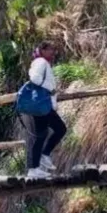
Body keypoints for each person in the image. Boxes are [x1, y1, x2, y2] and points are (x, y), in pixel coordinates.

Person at [20, 41, 66, 178]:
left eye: (54, 50)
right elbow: (34, 77)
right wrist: (49, 89)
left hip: (42, 104)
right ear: (43, 50)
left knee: (44, 134)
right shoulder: (41, 62)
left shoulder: (42, 62)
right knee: (56, 130)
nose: (53, 52)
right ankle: (39, 162)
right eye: (51, 49)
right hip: (41, 103)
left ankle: (37, 165)